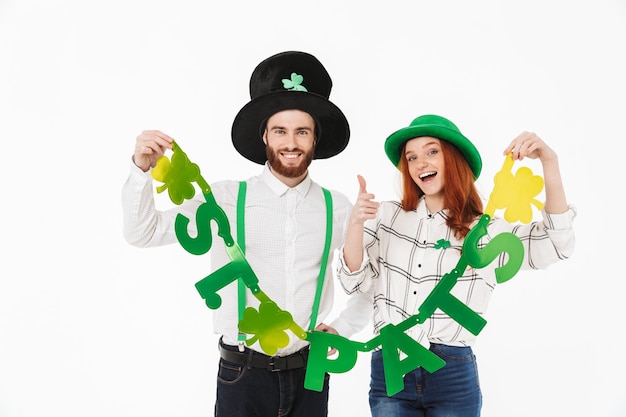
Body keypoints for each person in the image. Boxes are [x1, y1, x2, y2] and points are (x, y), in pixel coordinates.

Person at [122, 51, 370, 417]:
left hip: (311, 373)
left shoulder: (338, 207)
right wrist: (140, 172)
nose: (291, 143)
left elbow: (370, 282)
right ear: (264, 137)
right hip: (242, 374)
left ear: (315, 139)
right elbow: (142, 233)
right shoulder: (225, 198)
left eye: (302, 131)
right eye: (280, 131)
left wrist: (344, 327)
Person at [334, 114, 576, 416]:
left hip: (451, 372)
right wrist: (356, 224)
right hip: (391, 369)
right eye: (412, 157)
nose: (421, 163)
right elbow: (353, 282)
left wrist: (549, 163)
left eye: (432, 151)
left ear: (454, 159)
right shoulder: (387, 216)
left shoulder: (485, 232)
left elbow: (557, 244)